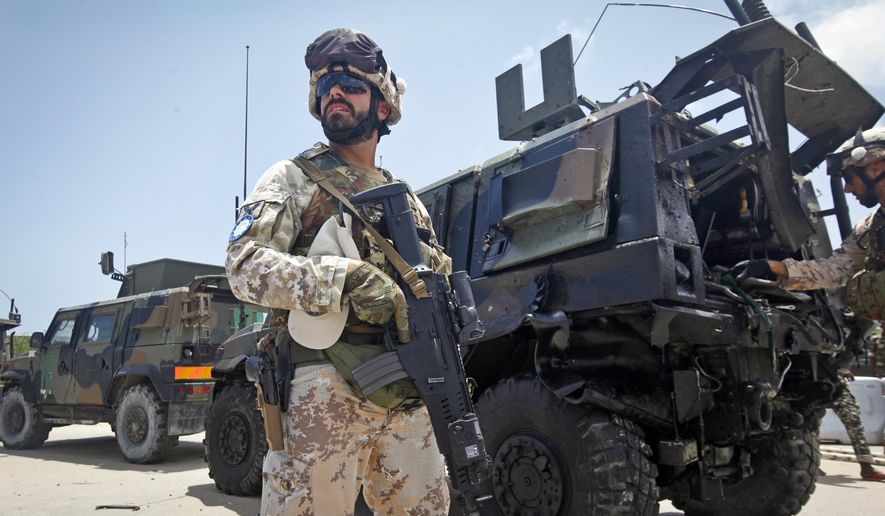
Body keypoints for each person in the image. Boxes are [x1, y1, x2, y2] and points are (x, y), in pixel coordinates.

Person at [226, 28, 451, 515]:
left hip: (408, 388)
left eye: (350, 85)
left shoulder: (407, 200)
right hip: (323, 387)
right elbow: (244, 267)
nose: (334, 94)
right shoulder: (293, 178)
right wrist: (341, 278)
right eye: (326, 88)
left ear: (383, 106)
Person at [732, 127, 885, 481]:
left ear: (875, 167)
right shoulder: (872, 227)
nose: (847, 188)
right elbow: (834, 269)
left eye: (849, 178)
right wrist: (773, 268)